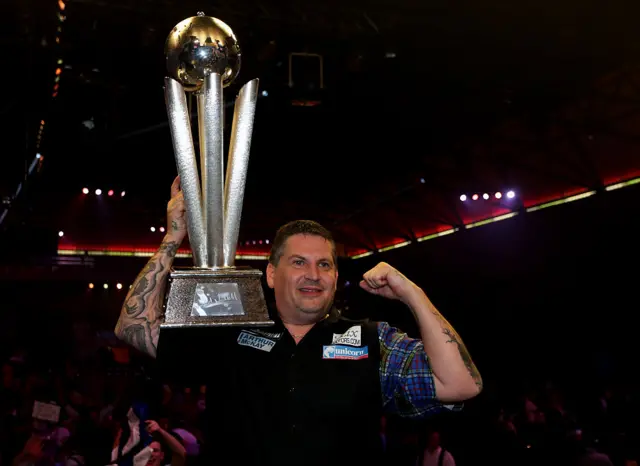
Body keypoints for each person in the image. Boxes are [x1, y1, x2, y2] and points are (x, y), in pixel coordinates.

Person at [115, 176, 483, 466]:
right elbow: (133, 329)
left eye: (324, 264)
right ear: (272, 274)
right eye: (298, 262)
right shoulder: (232, 331)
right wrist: (173, 237)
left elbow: (461, 384)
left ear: (336, 277)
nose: (313, 274)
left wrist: (412, 293)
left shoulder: (372, 339)